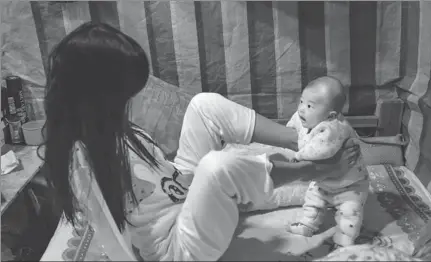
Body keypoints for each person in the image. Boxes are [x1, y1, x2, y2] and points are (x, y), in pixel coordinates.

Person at [41, 22, 360, 261]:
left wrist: (208, 192)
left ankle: (300, 140)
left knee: (204, 105)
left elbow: (168, 177)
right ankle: (315, 169)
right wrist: (216, 182)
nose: (136, 100)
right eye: (127, 95)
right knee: (217, 166)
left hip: (183, 198)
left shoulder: (113, 128)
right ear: (99, 96)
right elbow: (113, 240)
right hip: (179, 247)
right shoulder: (82, 161)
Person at [286, 77, 369, 248]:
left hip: (350, 185)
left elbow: (321, 150)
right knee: (312, 201)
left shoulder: (333, 127)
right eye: (301, 101)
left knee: (349, 214)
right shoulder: (304, 117)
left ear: (330, 115)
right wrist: (290, 129)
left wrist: (299, 156)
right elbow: (293, 124)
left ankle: (344, 242)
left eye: (309, 106)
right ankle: (307, 225)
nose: (301, 109)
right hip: (324, 181)